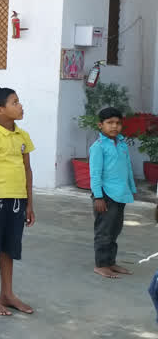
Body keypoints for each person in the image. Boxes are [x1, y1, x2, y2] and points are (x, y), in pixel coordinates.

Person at [0, 87, 35, 316]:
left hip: (18, 201)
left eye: (19, 101)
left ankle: (7, 294)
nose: (20, 106)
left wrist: (30, 203)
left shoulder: (23, 136)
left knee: (10, 249)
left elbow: (27, 170)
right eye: (15, 102)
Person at [89, 107, 136, 279]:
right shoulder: (98, 147)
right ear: (100, 125)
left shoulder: (122, 144)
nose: (114, 126)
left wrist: (131, 188)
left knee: (115, 230)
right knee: (104, 231)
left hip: (120, 194)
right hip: (105, 195)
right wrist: (98, 197)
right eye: (110, 123)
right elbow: (95, 174)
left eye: (117, 123)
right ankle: (101, 264)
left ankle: (110, 262)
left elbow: (128, 168)